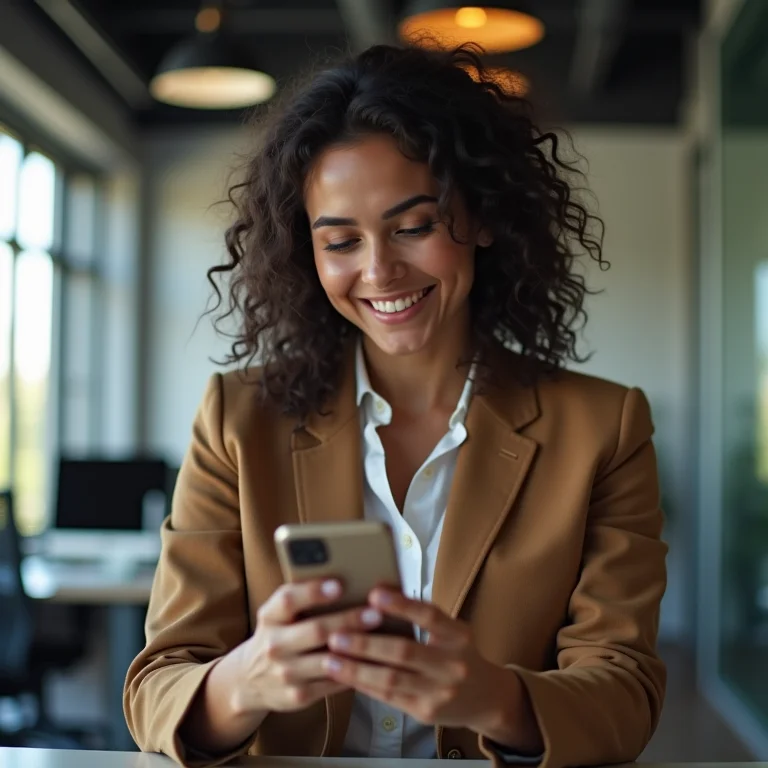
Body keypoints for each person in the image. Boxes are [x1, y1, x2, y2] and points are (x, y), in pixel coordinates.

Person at [124, 42, 667, 768]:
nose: (379, 272)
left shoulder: (605, 428)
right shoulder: (236, 419)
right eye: (341, 241)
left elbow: (625, 695)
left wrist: (491, 697)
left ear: (483, 216)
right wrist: (244, 681)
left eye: (413, 227)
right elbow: (159, 685)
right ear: (306, 255)